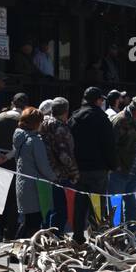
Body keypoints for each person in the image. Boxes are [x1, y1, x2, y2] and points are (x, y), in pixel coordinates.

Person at [71, 86, 115, 244]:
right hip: (98, 168)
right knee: (97, 206)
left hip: (79, 167)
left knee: (80, 204)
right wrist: (112, 165)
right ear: (97, 100)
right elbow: (109, 144)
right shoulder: (102, 118)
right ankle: (97, 237)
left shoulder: (74, 116)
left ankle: (77, 236)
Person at [0, 92, 29, 242]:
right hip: (15, 162)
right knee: (14, 198)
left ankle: (0, 226)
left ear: (12, 102)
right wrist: (9, 156)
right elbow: (21, 142)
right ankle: (10, 229)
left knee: (0, 196)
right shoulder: (24, 119)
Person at [13, 108, 57, 238]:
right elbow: (43, 165)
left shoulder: (19, 138)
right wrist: (54, 178)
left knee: (27, 221)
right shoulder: (34, 141)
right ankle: (17, 255)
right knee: (33, 224)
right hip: (35, 187)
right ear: (36, 123)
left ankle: (16, 255)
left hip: (22, 184)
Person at [38, 97, 78, 233]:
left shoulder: (43, 124)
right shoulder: (60, 128)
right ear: (65, 111)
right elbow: (64, 155)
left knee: (49, 208)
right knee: (60, 211)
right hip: (60, 173)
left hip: (45, 171)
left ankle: (47, 236)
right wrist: (74, 172)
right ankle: (54, 239)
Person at [110, 94, 136, 224]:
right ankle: (115, 235)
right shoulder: (120, 120)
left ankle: (131, 233)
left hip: (134, 171)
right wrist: (117, 166)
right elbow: (111, 145)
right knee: (115, 205)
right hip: (119, 172)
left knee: (131, 205)